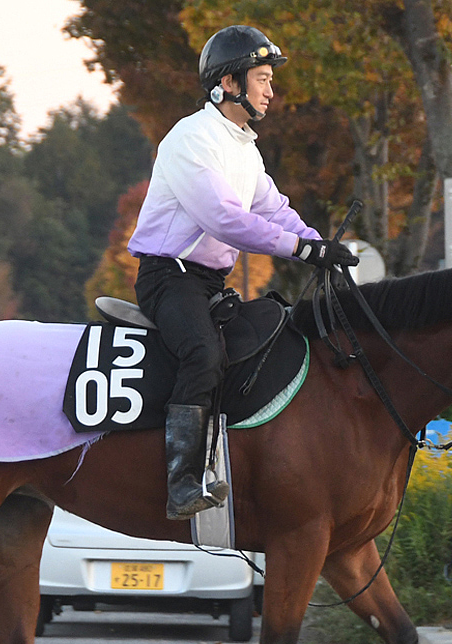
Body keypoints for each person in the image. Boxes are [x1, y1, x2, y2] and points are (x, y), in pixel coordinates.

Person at [128, 24, 359, 521]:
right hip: (167, 277)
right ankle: (181, 484)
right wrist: (301, 249)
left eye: (270, 79)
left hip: (208, 282)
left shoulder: (244, 148)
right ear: (229, 83)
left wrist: (322, 245)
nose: (271, 90)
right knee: (204, 354)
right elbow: (224, 219)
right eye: (261, 78)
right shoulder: (190, 138)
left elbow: (274, 209)